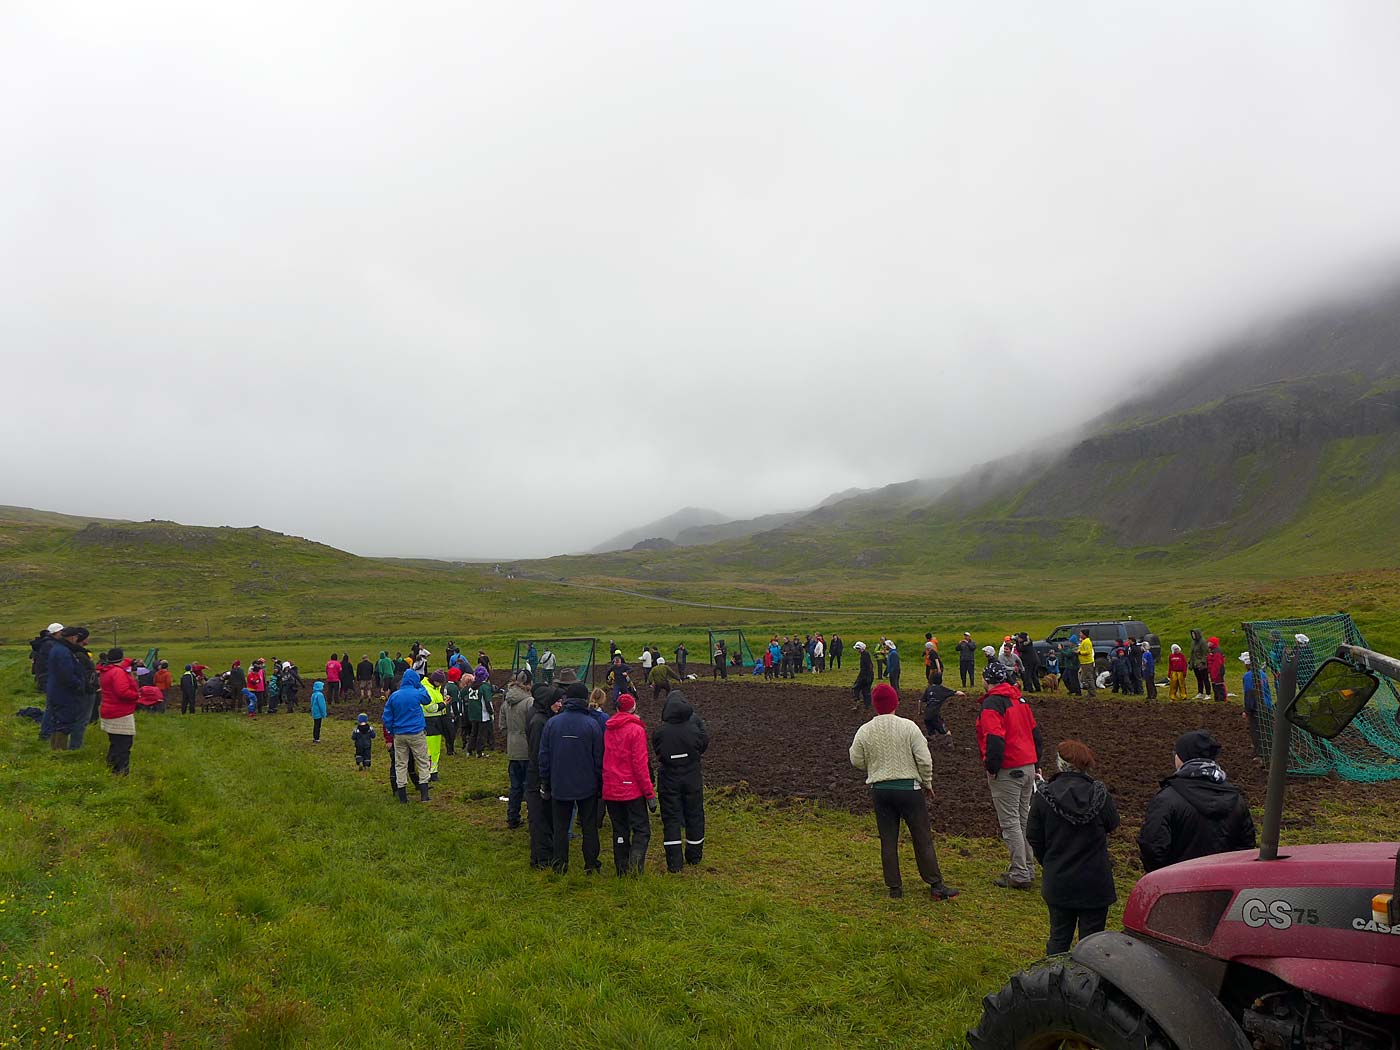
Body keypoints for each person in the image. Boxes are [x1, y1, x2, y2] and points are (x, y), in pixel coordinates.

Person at [848, 683, 960, 901]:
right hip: (909, 790)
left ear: (875, 705)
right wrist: (927, 783)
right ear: (895, 703)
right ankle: (936, 885)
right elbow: (924, 759)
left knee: (888, 839)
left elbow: (855, 759)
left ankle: (895, 888)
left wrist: (874, 768)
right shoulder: (909, 727)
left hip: (880, 790)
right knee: (922, 837)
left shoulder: (865, 730)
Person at [1026, 740, 1120, 955]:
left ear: (1059, 764)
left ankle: (1053, 983)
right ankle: (1088, 984)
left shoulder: (1043, 796)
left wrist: (1049, 861)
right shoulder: (1100, 795)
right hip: (1095, 881)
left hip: (1060, 880)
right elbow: (1112, 824)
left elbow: (1034, 836)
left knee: (1059, 938)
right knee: (1092, 943)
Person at [1139, 730, 1256, 872]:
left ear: (1183, 757)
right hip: (1224, 885)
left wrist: (1165, 877)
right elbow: (1245, 847)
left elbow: (1152, 848)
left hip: (1179, 884)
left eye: (1176, 753)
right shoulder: (1236, 799)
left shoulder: (1166, 799)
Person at [977, 660, 1044, 890]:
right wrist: (1037, 763)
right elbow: (1036, 735)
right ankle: (1028, 868)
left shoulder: (992, 705)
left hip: (1008, 768)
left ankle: (1019, 873)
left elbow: (994, 739)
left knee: (1010, 823)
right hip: (1028, 766)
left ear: (986, 680)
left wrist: (992, 768)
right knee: (1023, 818)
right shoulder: (1020, 700)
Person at [538, 682, 605, 874]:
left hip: (560, 783)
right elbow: (598, 757)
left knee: (560, 827)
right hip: (587, 785)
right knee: (589, 827)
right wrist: (600, 783)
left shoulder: (553, 723)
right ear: (585, 699)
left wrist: (545, 781)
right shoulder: (591, 724)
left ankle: (560, 865)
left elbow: (544, 755)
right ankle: (591, 864)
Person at [652, 689, 708, 873]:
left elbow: (658, 752)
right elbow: (703, 745)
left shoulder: (660, 731)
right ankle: (694, 855)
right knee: (695, 814)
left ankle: (674, 863)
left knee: (671, 818)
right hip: (692, 775)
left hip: (669, 778)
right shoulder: (694, 728)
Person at [601, 693, 657, 876]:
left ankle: (621, 866)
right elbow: (640, 764)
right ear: (633, 708)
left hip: (610, 786)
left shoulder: (608, 728)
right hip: (631, 788)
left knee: (619, 829)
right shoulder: (636, 730)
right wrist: (649, 794)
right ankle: (635, 864)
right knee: (641, 829)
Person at [526, 675, 561, 868]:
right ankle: (543, 859)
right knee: (541, 819)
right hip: (538, 776)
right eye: (555, 701)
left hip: (535, 775)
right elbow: (539, 753)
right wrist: (544, 781)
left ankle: (540, 857)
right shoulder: (540, 722)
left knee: (540, 818)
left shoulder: (536, 715)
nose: (559, 704)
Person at [382, 669, 432, 803]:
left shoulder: (394, 696)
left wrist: (392, 731)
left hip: (399, 734)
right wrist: (420, 685)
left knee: (400, 763)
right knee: (422, 761)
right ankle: (424, 795)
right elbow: (427, 699)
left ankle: (402, 796)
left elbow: (386, 716)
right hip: (416, 733)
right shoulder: (417, 693)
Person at [44, 626, 91, 751]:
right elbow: (67, 675)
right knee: (63, 721)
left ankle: (55, 748)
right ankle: (59, 751)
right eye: (76, 637)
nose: (76, 640)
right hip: (63, 692)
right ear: (72, 637)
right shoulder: (63, 652)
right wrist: (78, 684)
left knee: (57, 721)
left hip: (56, 689)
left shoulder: (58, 648)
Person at [98, 648, 139, 775]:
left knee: (115, 742)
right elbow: (122, 692)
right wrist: (136, 695)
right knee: (124, 743)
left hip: (109, 709)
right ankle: (121, 772)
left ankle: (111, 767)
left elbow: (124, 662)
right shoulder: (118, 673)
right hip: (120, 712)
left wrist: (130, 662)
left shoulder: (107, 670)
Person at [501, 671, 533, 827]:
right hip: (527, 751)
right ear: (528, 684)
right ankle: (533, 817)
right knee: (530, 787)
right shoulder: (529, 702)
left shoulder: (506, 702)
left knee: (515, 787)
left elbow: (502, 726)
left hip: (513, 750)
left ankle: (512, 817)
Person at [1240, 653, 1272, 765]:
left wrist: (1247, 711)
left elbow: (1250, 694)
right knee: (1266, 730)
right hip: (1267, 705)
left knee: (1256, 731)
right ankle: (1268, 752)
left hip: (1257, 707)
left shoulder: (1248, 676)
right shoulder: (1262, 674)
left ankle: (1261, 755)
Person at [420, 670, 449, 778]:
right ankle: (429, 772)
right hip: (429, 721)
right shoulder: (427, 689)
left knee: (435, 749)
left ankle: (433, 771)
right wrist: (443, 704)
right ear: (435, 681)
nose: (441, 685)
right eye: (440, 682)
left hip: (436, 721)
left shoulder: (435, 688)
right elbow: (430, 707)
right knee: (430, 749)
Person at [921, 672, 964, 741]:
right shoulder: (942, 689)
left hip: (926, 716)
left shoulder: (928, 689)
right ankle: (949, 745)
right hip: (935, 715)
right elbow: (955, 692)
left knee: (931, 734)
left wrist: (919, 711)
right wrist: (962, 694)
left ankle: (933, 745)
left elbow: (921, 701)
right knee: (946, 732)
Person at [465, 670, 494, 757]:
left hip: (473, 714)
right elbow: (488, 702)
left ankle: (469, 750)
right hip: (483, 714)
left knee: (474, 733)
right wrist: (491, 713)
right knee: (482, 734)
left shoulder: (471, 687)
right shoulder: (485, 687)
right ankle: (479, 752)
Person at [851, 641, 874, 709]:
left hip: (865, 676)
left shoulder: (865, 655)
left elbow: (866, 668)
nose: (857, 650)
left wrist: (864, 678)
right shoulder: (866, 654)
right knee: (866, 690)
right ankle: (867, 705)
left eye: (858, 648)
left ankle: (858, 702)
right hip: (867, 676)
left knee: (856, 688)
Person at [1189, 629, 1210, 699]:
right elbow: (1192, 654)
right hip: (1195, 664)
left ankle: (1208, 693)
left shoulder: (1203, 642)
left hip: (1202, 664)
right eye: (1192, 634)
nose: (1193, 635)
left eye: (1194, 634)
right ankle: (1200, 692)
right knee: (1199, 679)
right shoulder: (1193, 642)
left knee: (1205, 679)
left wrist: (1202, 662)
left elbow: (1206, 653)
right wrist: (1191, 663)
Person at [1076, 630, 1097, 698]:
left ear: (1084, 634)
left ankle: (1092, 693)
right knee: (1086, 678)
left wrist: (1079, 652)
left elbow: (1088, 651)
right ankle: (1090, 692)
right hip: (1084, 662)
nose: (1079, 634)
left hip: (1087, 662)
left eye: (1081, 633)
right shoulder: (1084, 641)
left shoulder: (1087, 641)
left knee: (1089, 678)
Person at [1207, 637, 1226, 702]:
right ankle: (1217, 698)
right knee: (1215, 685)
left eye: (1210, 642)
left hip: (1218, 671)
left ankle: (1222, 698)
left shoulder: (1216, 652)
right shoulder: (1212, 651)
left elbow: (1217, 664)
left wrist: (1214, 673)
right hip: (1213, 671)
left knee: (1219, 684)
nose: (1208, 643)